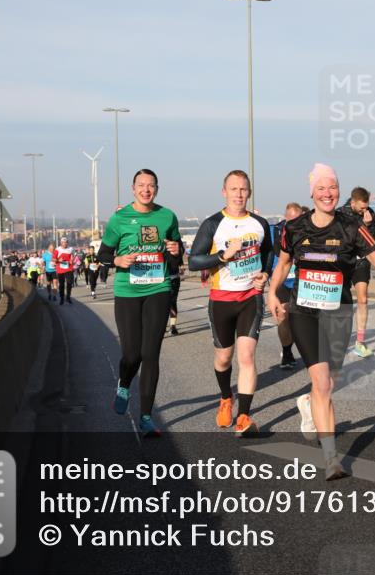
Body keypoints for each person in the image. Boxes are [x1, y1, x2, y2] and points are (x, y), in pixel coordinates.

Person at [267, 163, 375, 480]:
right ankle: (331, 460)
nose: (327, 193)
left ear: (339, 191)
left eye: (333, 188)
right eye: (321, 188)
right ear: (312, 192)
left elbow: (374, 252)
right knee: (322, 382)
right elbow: (283, 265)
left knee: (331, 380)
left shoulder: (351, 224)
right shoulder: (293, 228)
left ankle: (308, 403)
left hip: (339, 310)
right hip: (304, 311)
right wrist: (272, 292)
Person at [97, 169, 182, 437]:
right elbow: (103, 254)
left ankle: (146, 417)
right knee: (132, 353)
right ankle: (124, 383)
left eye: (151, 186)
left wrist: (176, 251)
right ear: (133, 189)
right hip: (128, 291)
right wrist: (118, 261)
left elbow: (176, 255)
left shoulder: (167, 216)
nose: (146, 190)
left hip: (158, 288)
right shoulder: (119, 219)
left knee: (151, 353)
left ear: (157, 188)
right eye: (141, 185)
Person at [188, 170, 273, 438]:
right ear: (224, 191)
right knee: (224, 358)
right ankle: (226, 397)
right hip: (222, 299)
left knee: (246, 357)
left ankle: (244, 417)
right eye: (233, 189)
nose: (239, 194)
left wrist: (265, 273)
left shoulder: (259, 223)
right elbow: (194, 261)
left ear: (249, 192)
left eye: (243, 189)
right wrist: (223, 256)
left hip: (251, 298)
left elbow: (269, 252)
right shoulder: (213, 224)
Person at [338, 187, 375, 357]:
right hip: (344, 261)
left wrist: (369, 224)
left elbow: (373, 237)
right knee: (343, 303)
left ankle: (360, 342)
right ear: (353, 202)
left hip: (361, 261)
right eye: (361, 208)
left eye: (366, 207)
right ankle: (337, 336)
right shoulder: (340, 214)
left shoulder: (369, 213)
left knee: (363, 299)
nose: (364, 211)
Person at [271, 202, 304, 369]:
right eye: (290, 220)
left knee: (302, 321)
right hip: (283, 281)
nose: (293, 223)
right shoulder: (277, 232)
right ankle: (287, 352)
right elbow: (273, 254)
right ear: (285, 218)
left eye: (297, 220)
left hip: (302, 282)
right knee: (283, 316)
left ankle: (308, 352)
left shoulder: (308, 231)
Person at [165, 239, 186, 336]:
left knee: (172, 302)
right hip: (157, 278)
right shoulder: (156, 239)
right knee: (161, 303)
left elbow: (180, 253)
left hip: (173, 276)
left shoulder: (177, 240)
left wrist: (181, 265)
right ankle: (163, 325)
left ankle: (173, 326)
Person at [55, 236, 75, 305]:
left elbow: (74, 256)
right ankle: (62, 298)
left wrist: (72, 260)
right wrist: (58, 260)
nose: (65, 244)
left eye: (66, 242)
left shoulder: (71, 249)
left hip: (68, 268)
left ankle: (68, 297)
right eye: (63, 242)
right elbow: (53, 259)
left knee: (69, 282)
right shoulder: (57, 249)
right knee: (61, 285)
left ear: (67, 243)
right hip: (60, 270)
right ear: (61, 243)